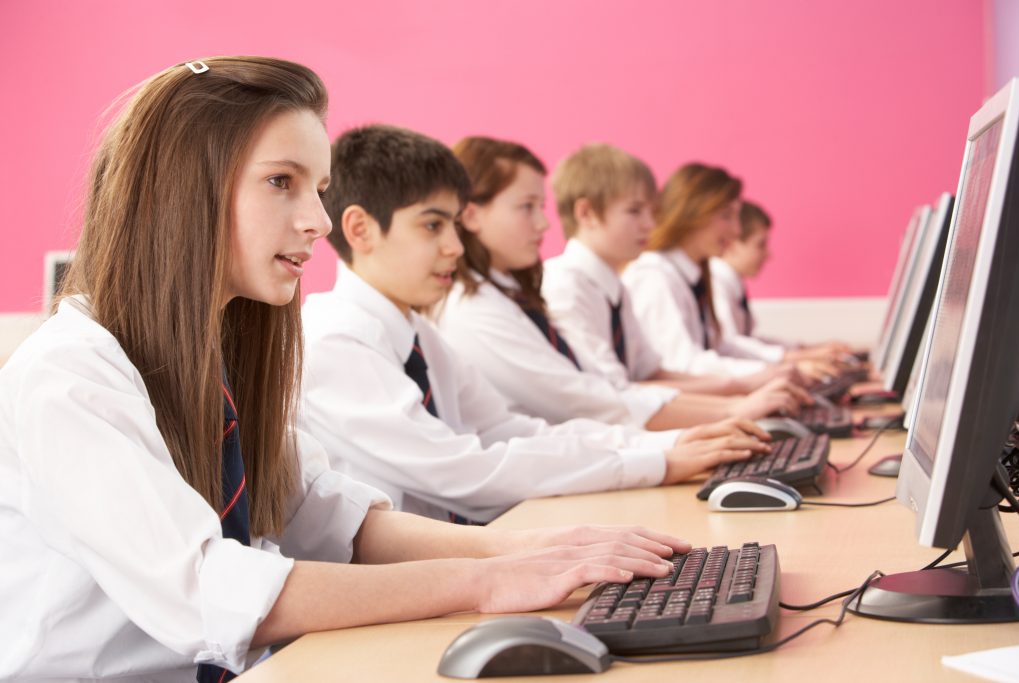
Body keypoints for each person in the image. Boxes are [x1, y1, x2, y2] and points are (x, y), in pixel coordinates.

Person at [0, 57, 691, 681]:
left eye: (319, 188)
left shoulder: (218, 357)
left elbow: (332, 519)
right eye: (282, 182)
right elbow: (210, 589)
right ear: (182, 191)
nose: (319, 221)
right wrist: (485, 581)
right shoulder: (70, 374)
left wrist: (532, 548)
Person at [300, 124, 771, 526]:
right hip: (397, 591)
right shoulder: (336, 339)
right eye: (432, 226)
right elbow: (465, 474)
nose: (456, 247)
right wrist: (653, 461)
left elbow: (512, 429)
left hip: (463, 556)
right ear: (360, 230)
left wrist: (667, 445)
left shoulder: (420, 336)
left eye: (452, 226)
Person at [438, 136, 807, 430]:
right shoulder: (558, 288)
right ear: (587, 213)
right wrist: (735, 403)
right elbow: (595, 400)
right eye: (635, 211)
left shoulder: (600, 287)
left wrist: (737, 398)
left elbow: (643, 377)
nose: (543, 224)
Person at [622, 162, 840, 379]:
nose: (736, 230)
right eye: (726, 216)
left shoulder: (691, 277)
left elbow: (719, 347)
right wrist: (777, 371)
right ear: (692, 213)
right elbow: (684, 364)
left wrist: (788, 362)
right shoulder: (654, 278)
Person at [711, 200, 851, 363]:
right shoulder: (716, 285)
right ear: (732, 243)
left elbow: (748, 342)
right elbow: (731, 345)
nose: (768, 255)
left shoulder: (732, 283)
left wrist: (806, 349)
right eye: (760, 245)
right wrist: (799, 357)